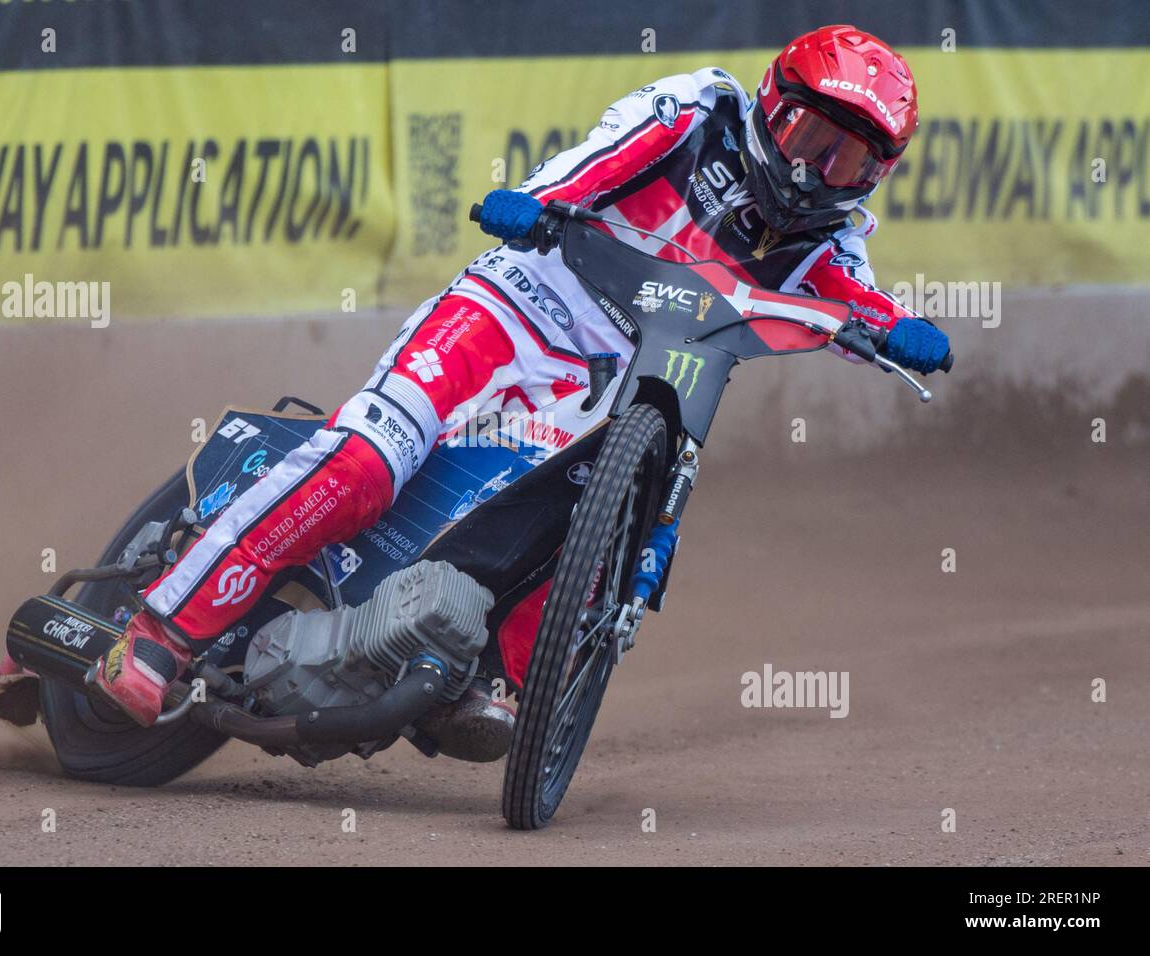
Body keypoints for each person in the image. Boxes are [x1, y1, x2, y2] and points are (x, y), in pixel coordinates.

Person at [92, 24, 950, 727]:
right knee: (365, 466)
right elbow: (597, 160)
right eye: (811, 136)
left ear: (878, 175)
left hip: (605, 382)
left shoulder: (833, 241)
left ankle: (490, 675)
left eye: (849, 160)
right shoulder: (699, 109)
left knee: (584, 511)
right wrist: (538, 203)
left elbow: (854, 299)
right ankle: (161, 628)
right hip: (517, 305)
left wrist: (898, 330)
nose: (815, 172)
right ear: (772, 102)